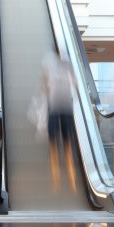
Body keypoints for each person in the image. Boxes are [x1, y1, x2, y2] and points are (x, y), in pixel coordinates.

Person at [41, 51, 78, 193]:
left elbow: (75, 83)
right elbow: (76, 84)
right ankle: (58, 181)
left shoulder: (65, 65)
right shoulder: (56, 65)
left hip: (62, 109)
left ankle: (69, 181)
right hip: (59, 109)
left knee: (63, 147)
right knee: (56, 146)